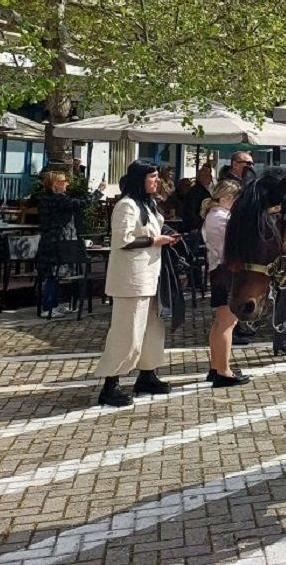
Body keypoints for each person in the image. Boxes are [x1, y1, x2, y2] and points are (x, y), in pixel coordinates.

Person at [93, 160, 181, 407]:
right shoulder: (126, 205)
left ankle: (147, 374)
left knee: (152, 328)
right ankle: (111, 383)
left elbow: (152, 230)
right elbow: (122, 240)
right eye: (152, 176)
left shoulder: (148, 204)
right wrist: (155, 241)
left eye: (156, 176)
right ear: (139, 179)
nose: (156, 180)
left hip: (151, 275)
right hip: (131, 279)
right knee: (128, 331)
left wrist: (167, 237)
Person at [36, 170, 107, 317]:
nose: (67, 184)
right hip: (58, 242)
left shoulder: (45, 199)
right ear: (55, 184)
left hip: (49, 241)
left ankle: (53, 305)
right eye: (63, 181)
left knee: (54, 274)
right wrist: (98, 192)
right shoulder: (59, 199)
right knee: (53, 274)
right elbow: (81, 204)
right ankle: (47, 307)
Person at [202, 180, 251, 387]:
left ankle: (216, 367)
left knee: (221, 322)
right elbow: (236, 244)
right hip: (227, 270)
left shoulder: (215, 215)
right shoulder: (222, 218)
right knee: (227, 323)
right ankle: (223, 371)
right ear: (225, 199)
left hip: (220, 270)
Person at [182, 164, 213, 233]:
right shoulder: (196, 191)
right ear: (201, 177)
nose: (210, 178)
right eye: (207, 175)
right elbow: (191, 209)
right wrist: (194, 226)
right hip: (197, 226)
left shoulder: (204, 190)